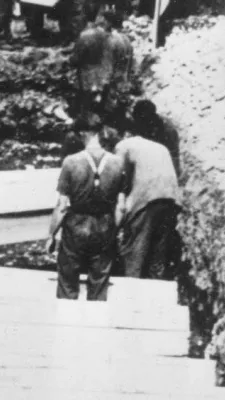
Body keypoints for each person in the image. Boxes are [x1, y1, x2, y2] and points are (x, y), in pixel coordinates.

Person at [46, 114, 127, 301]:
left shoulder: (71, 162)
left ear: (82, 133)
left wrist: (51, 234)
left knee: (67, 281)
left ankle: (66, 323)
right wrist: (113, 230)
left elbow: (62, 206)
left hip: (76, 225)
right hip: (105, 225)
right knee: (100, 282)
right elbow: (121, 207)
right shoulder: (117, 163)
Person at [115, 116, 181, 280]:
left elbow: (117, 178)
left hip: (147, 202)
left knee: (134, 254)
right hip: (170, 201)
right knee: (158, 257)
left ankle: (130, 294)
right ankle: (156, 298)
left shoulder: (124, 146)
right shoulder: (162, 148)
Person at [131, 100, 181, 178]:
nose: (138, 123)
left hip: (165, 155)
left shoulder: (168, 131)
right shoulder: (143, 123)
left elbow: (174, 159)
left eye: (140, 121)